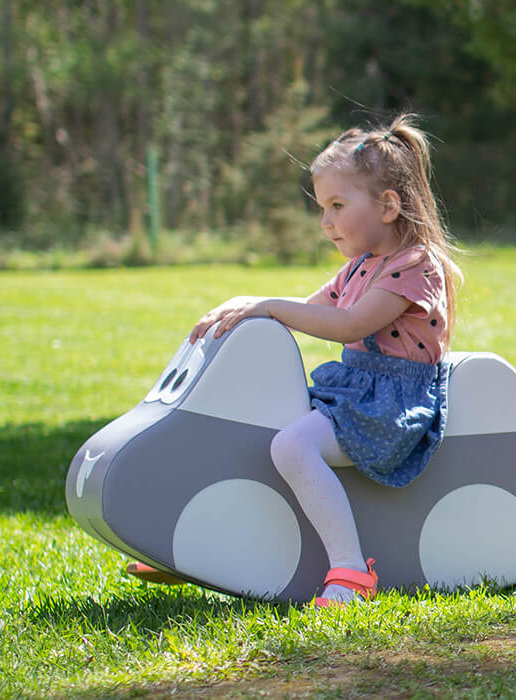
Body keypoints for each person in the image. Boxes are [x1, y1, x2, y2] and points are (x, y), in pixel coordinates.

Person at [189, 113, 462, 607]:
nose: (326, 222)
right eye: (322, 208)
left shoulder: (416, 265)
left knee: (292, 447)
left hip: (394, 407)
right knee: (264, 425)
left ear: (388, 206)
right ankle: (210, 541)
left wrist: (267, 305)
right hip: (356, 392)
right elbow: (309, 311)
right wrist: (250, 307)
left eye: (337, 205)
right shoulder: (358, 266)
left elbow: (349, 325)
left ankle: (352, 573)